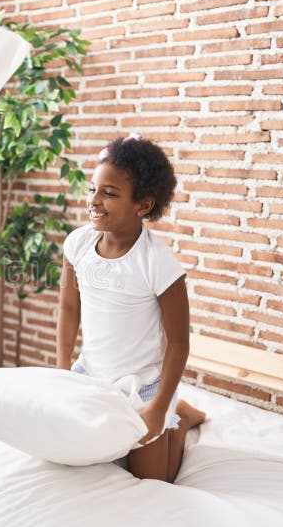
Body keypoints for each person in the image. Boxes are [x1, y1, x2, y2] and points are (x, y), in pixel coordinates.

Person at [56, 134, 206, 483]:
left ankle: (179, 419)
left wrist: (157, 408)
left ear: (142, 205)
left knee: (154, 482)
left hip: (143, 388)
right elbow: (68, 308)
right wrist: (62, 371)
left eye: (109, 193)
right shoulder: (78, 244)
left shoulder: (157, 263)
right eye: (93, 188)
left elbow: (179, 343)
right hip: (91, 377)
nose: (94, 200)